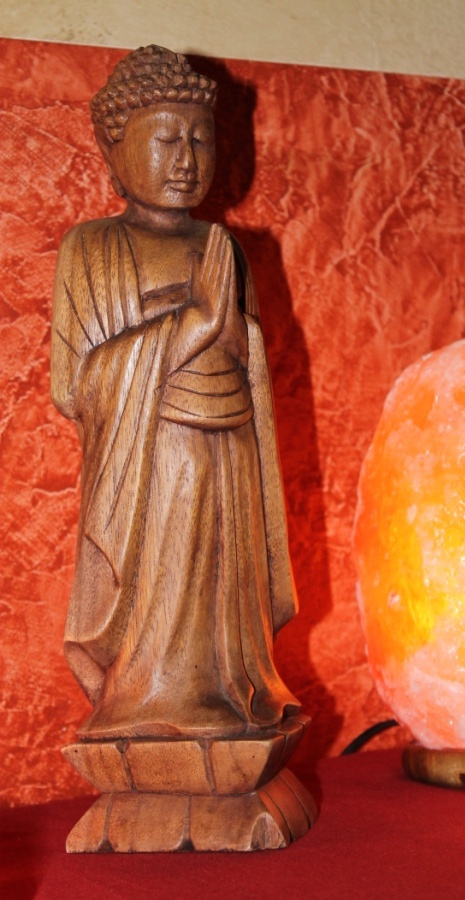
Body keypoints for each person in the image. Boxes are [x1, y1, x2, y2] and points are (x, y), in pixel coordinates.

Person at [51, 45, 300, 739]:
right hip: (151, 455)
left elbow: (247, 351)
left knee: (226, 592)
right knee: (165, 592)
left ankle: (228, 691)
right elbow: (76, 384)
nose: (186, 159)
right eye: (165, 139)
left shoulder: (226, 247)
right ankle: (153, 702)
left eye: (200, 140)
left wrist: (235, 332)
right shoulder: (91, 249)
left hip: (231, 445)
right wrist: (191, 326)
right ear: (116, 149)